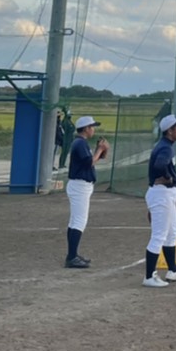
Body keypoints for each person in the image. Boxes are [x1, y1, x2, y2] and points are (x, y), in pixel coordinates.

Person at [142, 114, 176, 287]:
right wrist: (168, 177)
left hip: (164, 194)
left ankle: (173, 270)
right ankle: (149, 276)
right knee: (159, 235)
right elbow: (160, 165)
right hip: (161, 193)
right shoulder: (166, 148)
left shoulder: (165, 145)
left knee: (172, 233)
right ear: (169, 131)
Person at [64, 115, 109, 269]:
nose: (93, 130)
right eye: (92, 127)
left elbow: (91, 160)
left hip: (79, 185)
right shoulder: (80, 143)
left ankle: (72, 255)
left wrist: (100, 151)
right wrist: (100, 149)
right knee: (79, 221)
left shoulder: (80, 142)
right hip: (80, 185)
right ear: (86, 128)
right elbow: (89, 162)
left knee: (75, 221)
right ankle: (71, 257)